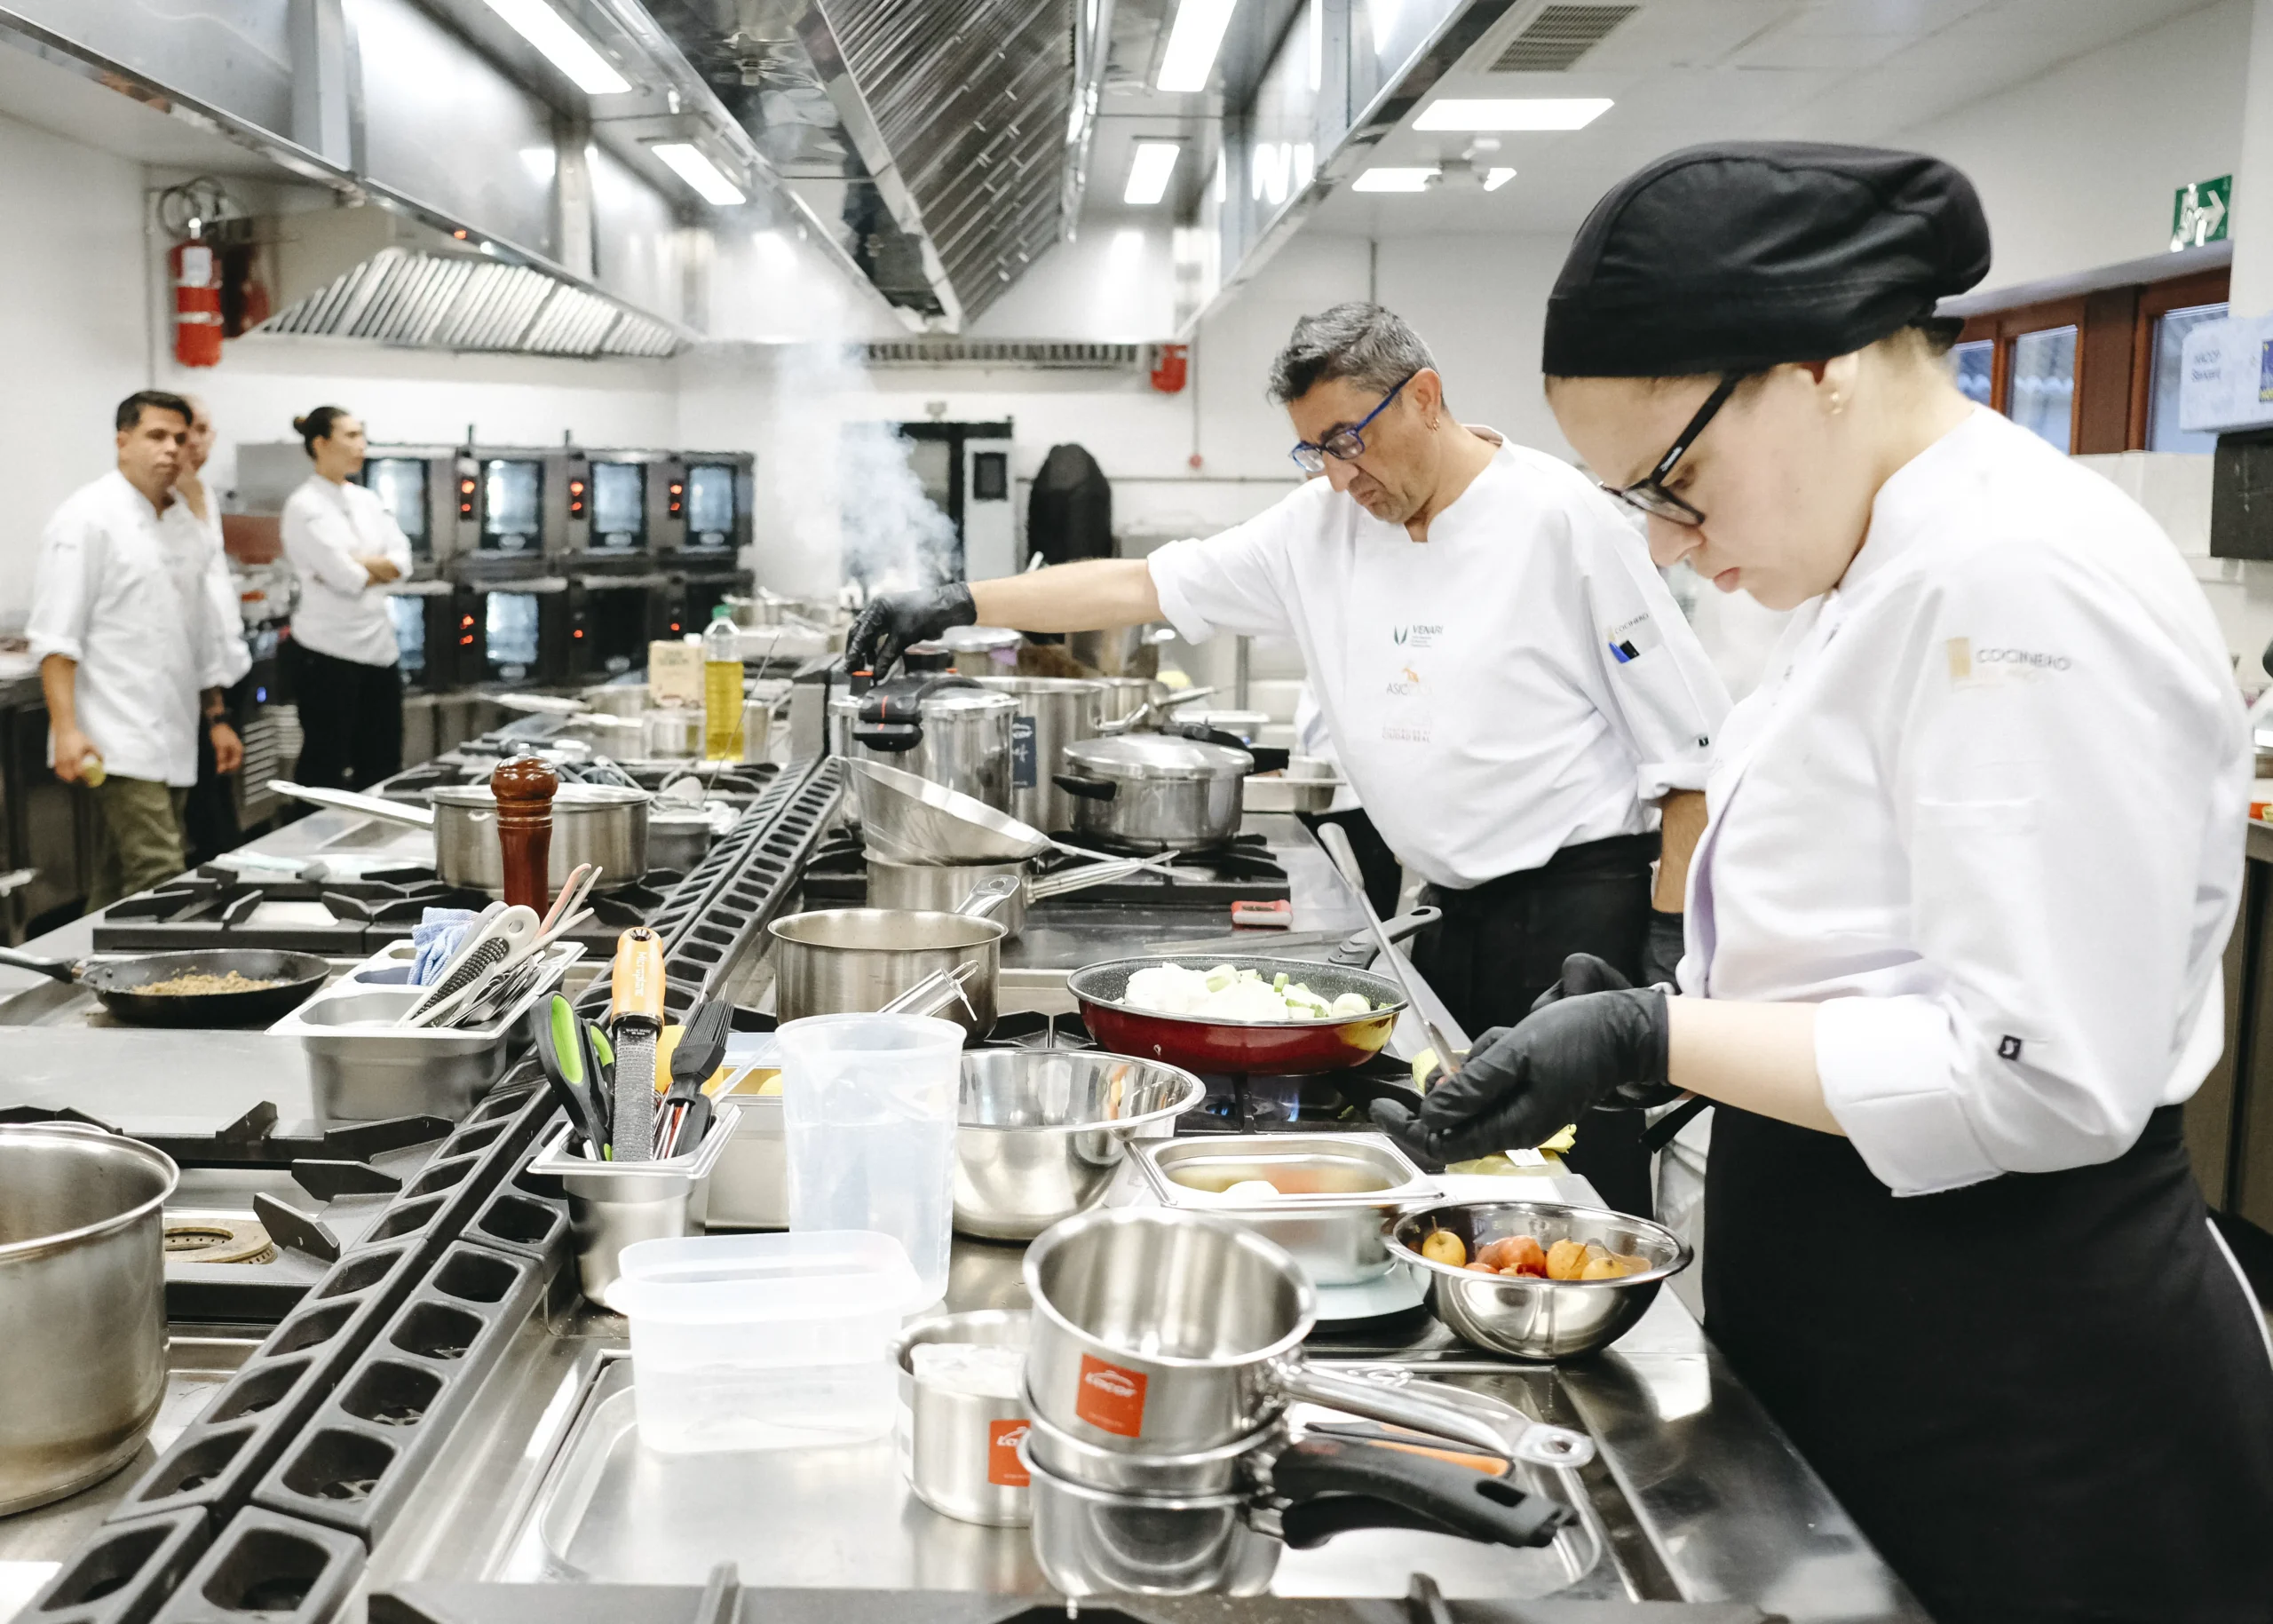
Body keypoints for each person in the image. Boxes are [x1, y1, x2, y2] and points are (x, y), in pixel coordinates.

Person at [1374, 142, 2273, 1623]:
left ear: (1821, 365)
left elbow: (2042, 1074)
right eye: (1630, 502)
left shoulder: (2014, 584)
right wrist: (1694, 1001)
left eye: (1677, 480)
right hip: (1887, 1310)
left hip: (2026, 1381)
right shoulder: (1882, 560)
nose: (1671, 543)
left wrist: (1658, 1039)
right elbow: (1894, 938)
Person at [848, 305, 1730, 1052]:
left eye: (1350, 440)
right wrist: (961, 599)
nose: (1341, 476)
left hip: (1583, 917)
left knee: (1577, 1185)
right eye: (1314, 451)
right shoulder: (1317, 527)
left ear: (1423, 397)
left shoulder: (1563, 520)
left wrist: (1662, 950)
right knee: (1466, 1167)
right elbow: (1142, 584)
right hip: (1452, 914)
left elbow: (1692, 761)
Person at [28, 391, 245, 908]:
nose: (170, 448)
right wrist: (65, 729)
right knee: (161, 871)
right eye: (155, 436)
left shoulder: (180, 523)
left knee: (117, 878)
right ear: (122, 442)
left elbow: (197, 632)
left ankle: (83, 978)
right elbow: (57, 638)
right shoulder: (87, 518)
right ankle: (167, 987)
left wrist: (215, 716)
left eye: (178, 436)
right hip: (116, 734)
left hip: (173, 729)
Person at [280, 406, 410, 790]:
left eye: (362, 435)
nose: (360, 445)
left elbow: (404, 563)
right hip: (327, 652)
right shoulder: (304, 506)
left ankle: (379, 844)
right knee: (325, 764)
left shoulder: (368, 500)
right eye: (350, 436)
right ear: (320, 443)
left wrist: (361, 566)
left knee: (384, 761)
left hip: (379, 649)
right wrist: (368, 568)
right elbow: (346, 576)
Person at [174, 395, 253, 863]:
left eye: (205, 429)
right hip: (193, 679)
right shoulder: (160, 500)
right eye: (187, 430)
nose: (197, 440)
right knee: (204, 803)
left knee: (220, 790)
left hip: (226, 665)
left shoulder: (200, 491)